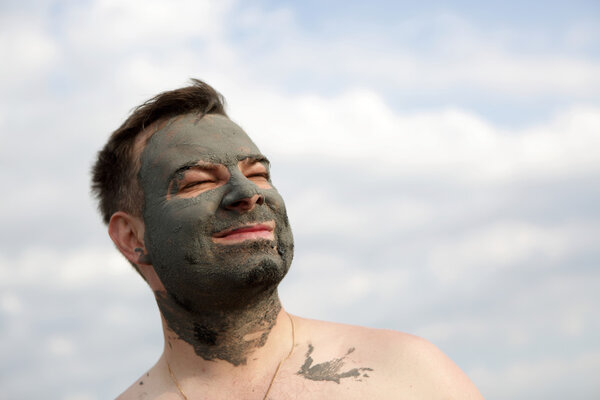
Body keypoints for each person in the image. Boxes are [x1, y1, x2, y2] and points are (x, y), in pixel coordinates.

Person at [92, 79, 484, 400]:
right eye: (198, 181)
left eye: (259, 173)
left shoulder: (405, 374)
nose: (248, 193)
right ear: (131, 237)